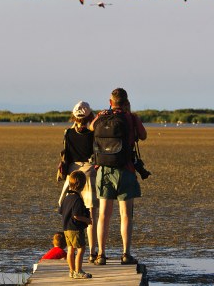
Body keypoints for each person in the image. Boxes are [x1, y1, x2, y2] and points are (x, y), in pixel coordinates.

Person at [89, 88, 147, 265]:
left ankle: (101, 255)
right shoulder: (131, 118)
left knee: (103, 215)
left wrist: (102, 115)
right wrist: (130, 115)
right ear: (126, 102)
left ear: (110, 101)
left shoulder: (102, 115)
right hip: (126, 170)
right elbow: (143, 136)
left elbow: (91, 127)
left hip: (104, 170)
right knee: (125, 215)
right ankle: (125, 254)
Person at [57, 100, 100, 263]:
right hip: (89, 172)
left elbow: (65, 155)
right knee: (91, 215)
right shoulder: (93, 133)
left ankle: (73, 250)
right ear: (90, 115)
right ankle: (92, 251)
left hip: (72, 174)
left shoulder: (67, 133)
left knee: (71, 211)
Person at [59, 170, 93, 279]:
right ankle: (78, 271)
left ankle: (71, 271)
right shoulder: (77, 199)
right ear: (83, 186)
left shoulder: (67, 197)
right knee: (81, 248)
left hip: (66, 228)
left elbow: (61, 211)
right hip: (75, 228)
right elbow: (76, 215)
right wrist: (87, 220)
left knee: (70, 249)